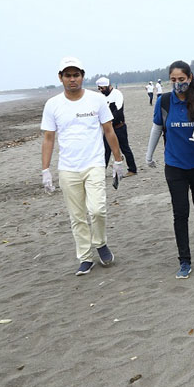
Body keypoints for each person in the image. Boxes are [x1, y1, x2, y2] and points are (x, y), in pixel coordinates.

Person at [41, 57, 124, 275]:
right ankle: (85, 257)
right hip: (68, 168)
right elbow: (49, 138)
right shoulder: (53, 104)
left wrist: (117, 160)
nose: (72, 79)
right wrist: (45, 170)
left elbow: (109, 131)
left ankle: (101, 243)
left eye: (76, 75)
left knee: (97, 210)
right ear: (60, 77)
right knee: (77, 216)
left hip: (94, 163)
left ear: (82, 76)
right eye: (67, 75)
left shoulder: (96, 100)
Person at [146, 60, 194, 279]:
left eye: (182, 79)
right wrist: (149, 155)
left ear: (190, 78)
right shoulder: (164, 101)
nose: (178, 84)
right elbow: (157, 128)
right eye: (173, 80)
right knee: (180, 212)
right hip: (175, 166)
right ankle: (184, 260)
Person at [96, 77, 138, 177]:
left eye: (102, 88)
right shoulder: (101, 97)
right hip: (108, 128)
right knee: (105, 150)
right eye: (99, 89)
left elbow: (118, 112)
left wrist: (107, 121)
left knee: (125, 148)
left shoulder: (117, 94)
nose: (101, 91)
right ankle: (101, 172)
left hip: (119, 127)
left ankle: (132, 169)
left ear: (107, 86)